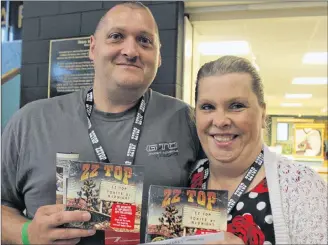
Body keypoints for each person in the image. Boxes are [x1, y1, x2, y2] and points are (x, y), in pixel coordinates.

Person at [1, 2, 202, 245]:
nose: (131, 50)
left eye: (144, 40)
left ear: (159, 57)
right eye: (116, 36)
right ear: (93, 48)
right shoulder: (30, 121)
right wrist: (26, 234)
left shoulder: (187, 120)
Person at [189, 56, 327, 245]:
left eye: (236, 106)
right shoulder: (188, 176)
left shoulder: (303, 187)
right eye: (208, 107)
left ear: (263, 114)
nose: (220, 120)